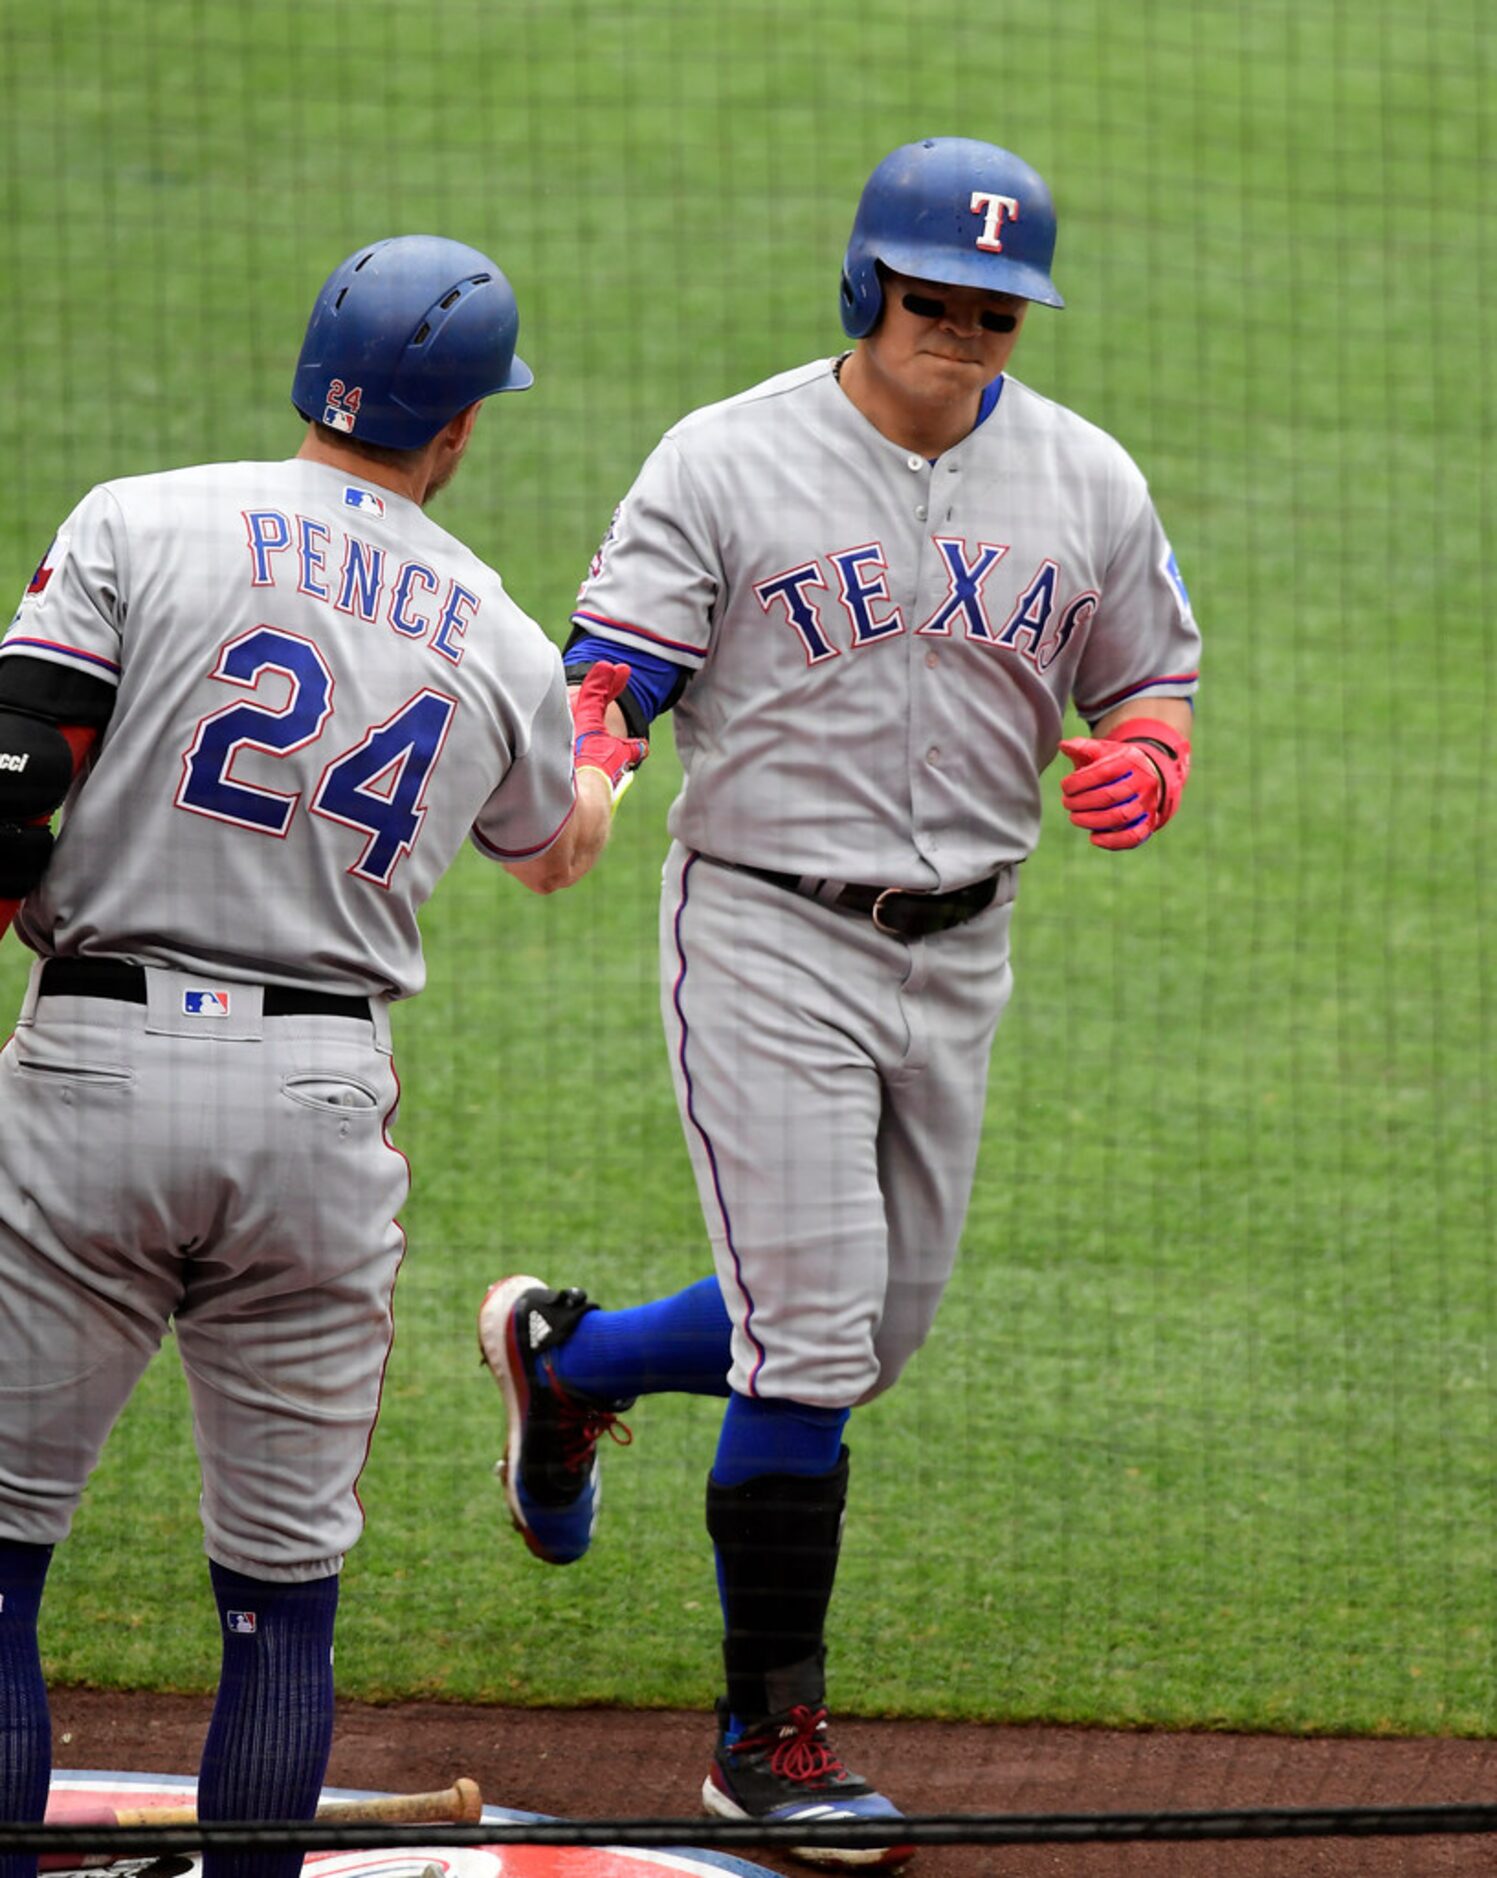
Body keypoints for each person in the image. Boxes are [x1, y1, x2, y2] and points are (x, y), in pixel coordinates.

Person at [478, 137, 1200, 1867]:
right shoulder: (724, 458)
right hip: (764, 934)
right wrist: (589, 753)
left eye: (994, 310)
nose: (960, 331)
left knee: (866, 1338)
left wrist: (1151, 760)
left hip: (963, 942)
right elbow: (618, 666)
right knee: (807, 1340)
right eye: (930, 300)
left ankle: (570, 1362)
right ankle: (764, 1741)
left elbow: (1148, 672)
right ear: (864, 290)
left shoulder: (1086, 479)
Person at [0, 235, 645, 1878]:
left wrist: (30, 899)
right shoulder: (494, 629)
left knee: (2, 1560)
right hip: (313, 1109)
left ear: (312, 372)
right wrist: (603, 751)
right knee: (279, 1600)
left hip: (91, 1067)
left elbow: (9, 765)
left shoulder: (138, 519)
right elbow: (550, 847)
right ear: (465, 428)